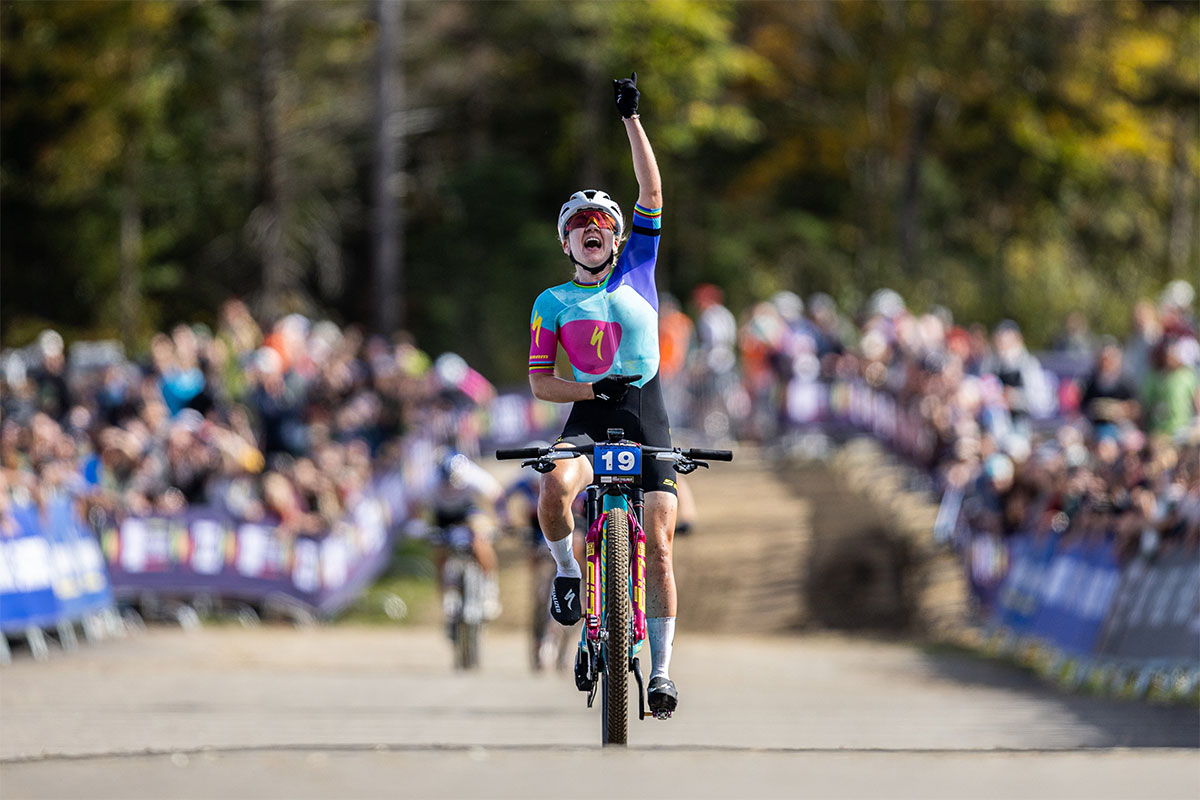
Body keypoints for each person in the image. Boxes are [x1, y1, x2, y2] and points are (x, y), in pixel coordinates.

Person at [525, 72, 680, 716]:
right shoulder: (552, 302)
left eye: (602, 223)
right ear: (567, 242)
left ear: (617, 238)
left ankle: (664, 670)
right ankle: (568, 569)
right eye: (579, 225)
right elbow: (540, 382)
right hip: (589, 411)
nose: (593, 229)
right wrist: (591, 385)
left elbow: (651, 189)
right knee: (555, 488)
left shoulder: (637, 267)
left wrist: (630, 120)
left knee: (663, 545)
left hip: (646, 412)